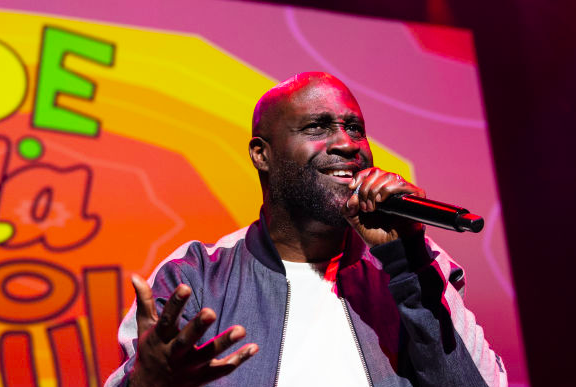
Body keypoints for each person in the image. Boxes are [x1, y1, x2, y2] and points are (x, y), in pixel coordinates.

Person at [105, 72, 507, 387]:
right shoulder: (196, 275)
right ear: (262, 154)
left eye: (355, 127)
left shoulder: (416, 263)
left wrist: (408, 262)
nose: (348, 144)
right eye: (318, 127)